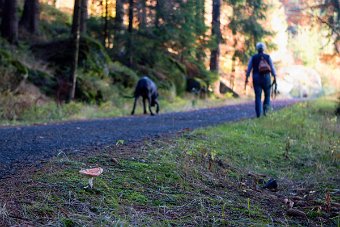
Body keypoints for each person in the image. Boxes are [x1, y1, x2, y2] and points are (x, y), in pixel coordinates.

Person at [245, 42, 277, 118]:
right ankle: (266, 113)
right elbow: (272, 68)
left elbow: (249, 69)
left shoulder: (253, 57)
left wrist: (247, 77)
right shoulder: (267, 57)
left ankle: (258, 115)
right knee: (267, 96)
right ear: (264, 49)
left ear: (257, 49)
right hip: (266, 78)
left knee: (258, 96)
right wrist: (274, 76)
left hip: (256, 78)